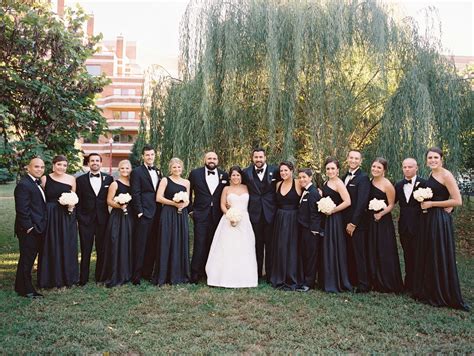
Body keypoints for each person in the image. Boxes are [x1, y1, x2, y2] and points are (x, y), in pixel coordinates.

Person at [412, 147, 469, 311]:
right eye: (430, 158)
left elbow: (457, 201)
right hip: (429, 219)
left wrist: (433, 204)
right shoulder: (431, 174)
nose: (432, 160)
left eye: (435, 157)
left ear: (441, 158)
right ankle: (430, 290)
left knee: (439, 253)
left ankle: (442, 292)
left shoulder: (446, 175)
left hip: (439, 220)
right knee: (430, 252)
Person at [205, 166, 258, 288]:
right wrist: (230, 216)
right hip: (228, 220)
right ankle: (223, 276)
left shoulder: (247, 188)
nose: (236, 177)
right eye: (233, 175)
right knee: (227, 247)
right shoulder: (226, 189)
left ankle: (245, 278)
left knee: (245, 247)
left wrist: (239, 217)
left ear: (241, 177)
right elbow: (222, 205)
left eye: (238, 175)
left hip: (244, 221)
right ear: (230, 177)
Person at [38, 155, 79, 288]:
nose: (61, 167)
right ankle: (50, 279)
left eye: (64, 165)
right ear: (53, 165)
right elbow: (40, 199)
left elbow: (74, 196)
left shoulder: (72, 179)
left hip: (67, 215)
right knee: (51, 244)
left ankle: (68, 277)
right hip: (50, 215)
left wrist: (71, 206)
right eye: (59, 164)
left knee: (67, 243)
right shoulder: (45, 179)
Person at [188, 152, 229, 283]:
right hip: (200, 213)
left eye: (214, 158)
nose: (212, 160)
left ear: (218, 160)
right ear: (204, 160)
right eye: (209, 158)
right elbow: (188, 192)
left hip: (217, 215)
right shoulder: (195, 174)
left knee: (214, 243)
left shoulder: (224, 175)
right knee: (199, 243)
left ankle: (209, 272)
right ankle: (195, 273)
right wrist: (190, 211)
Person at [366, 158, 403, 293]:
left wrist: (381, 213)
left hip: (383, 221)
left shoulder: (387, 184)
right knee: (372, 248)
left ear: (384, 170)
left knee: (383, 249)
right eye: (374, 166)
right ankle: (373, 279)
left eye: (379, 168)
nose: (375, 169)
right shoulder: (369, 182)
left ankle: (386, 281)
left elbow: (392, 204)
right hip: (370, 220)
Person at [76, 153, 113, 285]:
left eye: (97, 160)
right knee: (85, 250)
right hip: (85, 220)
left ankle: (100, 277)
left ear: (101, 163)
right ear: (88, 163)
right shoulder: (80, 180)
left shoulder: (109, 179)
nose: (95, 162)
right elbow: (77, 201)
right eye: (92, 161)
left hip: (103, 220)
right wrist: (79, 218)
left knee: (101, 249)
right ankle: (83, 278)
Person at [242, 148, 279, 281]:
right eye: (256, 157)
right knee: (256, 245)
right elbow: (239, 188)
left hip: (270, 212)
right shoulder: (245, 172)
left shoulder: (275, 170)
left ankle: (270, 275)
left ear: (265, 157)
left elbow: (284, 184)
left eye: (260, 157)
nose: (258, 159)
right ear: (252, 158)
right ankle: (256, 274)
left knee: (270, 245)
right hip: (254, 213)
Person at [153, 158, 190, 285]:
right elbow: (158, 198)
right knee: (166, 240)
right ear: (170, 168)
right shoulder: (165, 180)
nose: (177, 169)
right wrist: (174, 203)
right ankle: (164, 275)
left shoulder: (186, 182)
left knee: (180, 240)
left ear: (182, 168)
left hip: (181, 214)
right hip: (168, 213)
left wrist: (183, 205)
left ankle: (179, 274)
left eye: (179, 167)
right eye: (174, 167)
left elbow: (188, 200)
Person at [14, 157, 47, 298]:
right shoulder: (24, 184)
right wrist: (29, 228)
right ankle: (26, 290)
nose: (39, 169)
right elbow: (22, 209)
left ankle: (19, 285)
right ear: (29, 168)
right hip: (29, 230)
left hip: (37, 227)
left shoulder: (34, 183)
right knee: (27, 260)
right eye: (36, 167)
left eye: (42, 167)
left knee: (27, 259)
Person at [99, 160, 134, 288]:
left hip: (130, 216)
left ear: (131, 169)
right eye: (122, 168)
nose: (125, 170)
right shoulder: (115, 184)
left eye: (127, 168)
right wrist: (120, 205)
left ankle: (127, 272)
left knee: (128, 242)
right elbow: (109, 201)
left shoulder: (133, 183)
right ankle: (115, 273)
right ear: (119, 170)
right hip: (118, 216)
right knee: (117, 242)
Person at [130, 144, 161, 285]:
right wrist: (139, 212)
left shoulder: (159, 171)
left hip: (158, 213)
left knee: (152, 244)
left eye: (152, 155)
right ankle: (136, 275)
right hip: (144, 213)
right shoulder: (137, 172)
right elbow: (135, 193)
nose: (150, 157)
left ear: (155, 155)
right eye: (147, 155)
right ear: (143, 156)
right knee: (140, 244)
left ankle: (147, 272)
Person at [394, 158, 427, 293]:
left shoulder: (424, 183)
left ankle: (419, 286)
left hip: (421, 225)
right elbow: (390, 200)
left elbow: (436, 198)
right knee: (407, 255)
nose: (407, 169)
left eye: (410, 167)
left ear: (416, 168)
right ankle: (408, 284)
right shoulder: (399, 185)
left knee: (420, 255)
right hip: (404, 225)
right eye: (405, 167)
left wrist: (449, 208)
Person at [270, 161, 303, 290]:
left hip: (294, 218)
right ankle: (279, 276)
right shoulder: (278, 184)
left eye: (286, 170)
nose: (283, 173)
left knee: (293, 247)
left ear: (291, 171)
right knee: (281, 247)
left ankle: (292, 276)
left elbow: (310, 193)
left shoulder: (298, 183)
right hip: (280, 218)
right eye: (281, 171)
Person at [321, 158, 352, 292]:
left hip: (335, 219)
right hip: (326, 218)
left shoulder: (339, 183)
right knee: (327, 247)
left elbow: (347, 201)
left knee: (334, 247)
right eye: (328, 169)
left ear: (338, 170)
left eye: (333, 168)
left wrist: (332, 210)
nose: (330, 171)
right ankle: (326, 279)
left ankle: (336, 280)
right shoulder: (326, 182)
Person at [342, 150, 370, 293]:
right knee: (349, 252)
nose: (353, 160)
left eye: (356, 158)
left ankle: (363, 284)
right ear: (347, 159)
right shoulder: (344, 176)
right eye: (351, 157)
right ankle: (351, 279)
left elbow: (361, 202)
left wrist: (353, 223)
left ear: (360, 161)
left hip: (357, 224)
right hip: (344, 222)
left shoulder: (363, 178)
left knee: (359, 253)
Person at [297, 168, 324, 291]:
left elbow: (315, 213)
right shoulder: (305, 191)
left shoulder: (313, 192)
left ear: (310, 177)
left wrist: (315, 229)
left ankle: (309, 283)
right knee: (306, 255)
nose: (302, 179)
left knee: (311, 256)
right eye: (300, 177)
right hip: (304, 228)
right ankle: (304, 280)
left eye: (304, 177)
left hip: (311, 230)